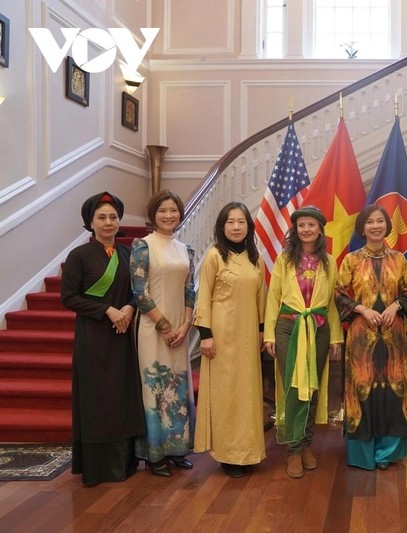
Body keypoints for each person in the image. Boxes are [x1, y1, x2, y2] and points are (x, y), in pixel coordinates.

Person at [61, 192, 145, 486]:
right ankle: (100, 468)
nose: (108, 223)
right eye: (102, 218)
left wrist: (129, 308)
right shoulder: (79, 256)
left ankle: (125, 462)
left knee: (122, 395)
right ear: (91, 223)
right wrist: (106, 310)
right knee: (98, 398)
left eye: (113, 217)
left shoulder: (128, 253)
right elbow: (69, 298)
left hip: (122, 336)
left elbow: (138, 291)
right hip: (93, 338)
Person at [335, 205, 407, 471]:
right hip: (361, 336)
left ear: (387, 226)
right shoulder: (351, 260)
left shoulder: (400, 259)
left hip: (393, 338)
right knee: (362, 391)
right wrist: (362, 309)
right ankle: (363, 455)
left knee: (394, 391)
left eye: (380, 221)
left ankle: (387, 455)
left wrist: (395, 307)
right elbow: (338, 293)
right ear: (362, 227)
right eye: (369, 222)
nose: (375, 226)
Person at [264, 206, 343, 479]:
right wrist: (270, 335)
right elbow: (273, 297)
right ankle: (293, 450)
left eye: (311, 225)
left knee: (312, 387)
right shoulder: (284, 260)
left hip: (319, 328)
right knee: (292, 386)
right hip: (288, 326)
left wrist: (335, 336)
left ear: (320, 229)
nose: (306, 229)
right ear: (295, 230)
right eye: (301, 225)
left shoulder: (329, 261)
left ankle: (307, 443)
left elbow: (331, 301)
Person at [193, 202, 266, 478]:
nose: (236, 227)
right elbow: (203, 297)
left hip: (248, 334)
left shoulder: (255, 258)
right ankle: (228, 454)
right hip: (220, 336)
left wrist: (261, 330)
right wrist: (206, 335)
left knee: (247, 392)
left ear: (248, 226)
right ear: (222, 227)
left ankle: (248, 451)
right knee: (226, 394)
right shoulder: (214, 256)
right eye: (230, 222)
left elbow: (262, 296)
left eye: (241, 222)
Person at [130, 190, 196, 476]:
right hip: (152, 328)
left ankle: (176, 449)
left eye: (173, 210)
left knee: (178, 388)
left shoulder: (185, 249)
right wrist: (165, 326)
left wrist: (185, 325)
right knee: (154, 389)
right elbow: (139, 293)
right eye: (162, 211)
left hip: (180, 331)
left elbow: (189, 291)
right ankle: (154, 454)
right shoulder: (142, 246)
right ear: (153, 214)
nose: (169, 215)